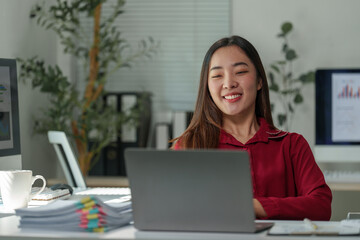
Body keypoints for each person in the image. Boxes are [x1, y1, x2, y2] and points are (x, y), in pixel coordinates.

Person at [172, 35, 332, 220]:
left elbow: (321, 207)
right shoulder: (190, 146)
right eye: (217, 75)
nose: (228, 83)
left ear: (259, 81)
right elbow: (177, 212)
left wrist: (255, 206)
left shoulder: (292, 145)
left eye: (240, 72)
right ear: (207, 88)